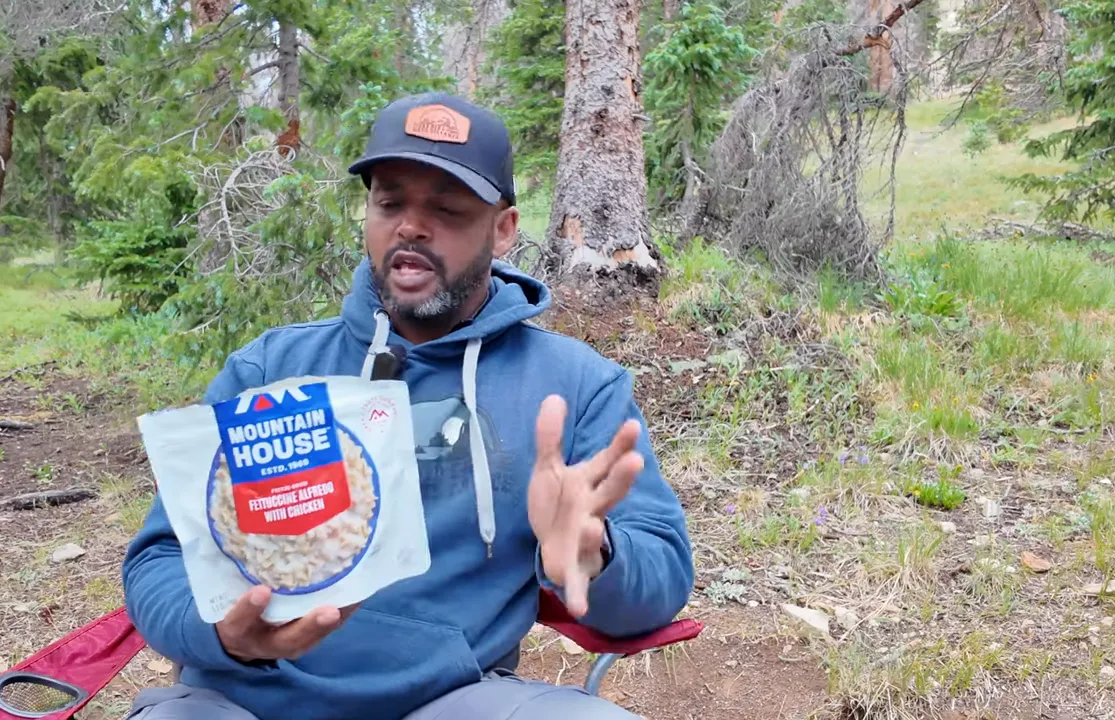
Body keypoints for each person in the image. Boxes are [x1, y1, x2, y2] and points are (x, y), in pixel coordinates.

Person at [121, 91, 695, 720]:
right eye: (389, 202)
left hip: (454, 700)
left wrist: (596, 551)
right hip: (241, 699)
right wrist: (223, 636)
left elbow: (660, 576)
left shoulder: (573, 386)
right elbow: (160, 558)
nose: (411, 227)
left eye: (446, 209)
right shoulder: (270, 371)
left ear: (503, 229)